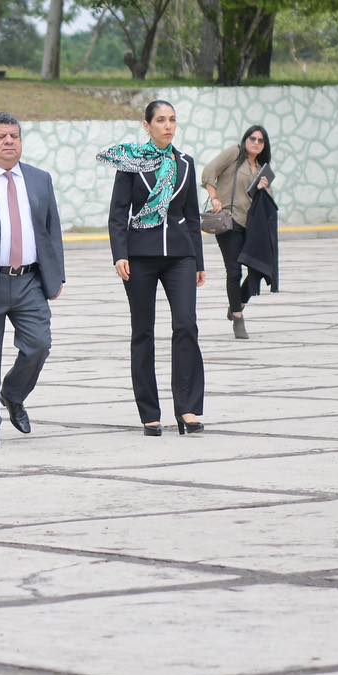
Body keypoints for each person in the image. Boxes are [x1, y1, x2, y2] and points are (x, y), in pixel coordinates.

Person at [100, 99, 206, 437]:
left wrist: (199, 262)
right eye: (160, 120)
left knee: (186, 326)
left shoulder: (185, 164)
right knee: (143, 332)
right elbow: (118, 213)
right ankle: (150, 412)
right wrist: (120, 254)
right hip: (140, 256)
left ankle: (188, 408)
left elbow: (192, 217)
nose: (167, 126)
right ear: (147, 125)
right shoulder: (132, 163)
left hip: (180, 256)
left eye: (172, 119)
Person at [0, 112, 66, 449]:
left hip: (28, 281)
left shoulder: (39, 179)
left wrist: (56, 275)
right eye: (1, 137)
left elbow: (51, 229)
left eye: (14, 136)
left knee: (38, 345)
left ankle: (13, 393)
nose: (9, 142)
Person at [202, 126, 274, 340]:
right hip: (228, 221)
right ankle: (238, 317)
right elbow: (209, 172)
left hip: (251, 226)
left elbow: (266, 201)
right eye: (252, 138)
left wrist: (265, 187)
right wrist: (215, 198)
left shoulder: (262, 169)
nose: (256, 142)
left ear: (264, 146)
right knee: (234, 271)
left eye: (261, 140)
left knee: (257, 269)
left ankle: (238, 301)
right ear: (245, 140)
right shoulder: (234, 154)